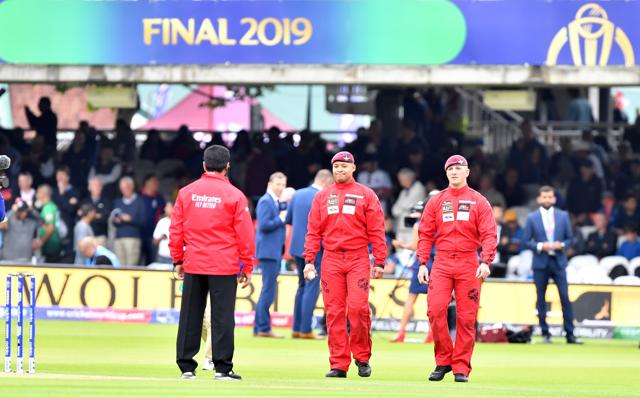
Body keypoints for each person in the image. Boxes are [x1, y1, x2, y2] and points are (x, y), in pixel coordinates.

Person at [170, 145, 256, 381]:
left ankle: (187, 367)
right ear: (228, 167)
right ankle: (222, 368)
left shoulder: (186, 193)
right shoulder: (236, 196)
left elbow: (176, 229)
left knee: (190, 316)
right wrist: (247, 265)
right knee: (223, 317)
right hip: (224, 263)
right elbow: (245, 234)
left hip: (194, 262)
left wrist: (177, 259)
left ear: (204, 165)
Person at [304, 151, 386, 378]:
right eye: (336, 166)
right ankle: (338, 364)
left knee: (359, 308)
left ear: (353, 168)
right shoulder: (322, 196)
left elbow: (377, 230)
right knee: (334, 312)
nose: (340, 169)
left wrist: (379, 260)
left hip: (358, 257)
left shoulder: (366, 195)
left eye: (344, 166)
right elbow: (313, 231)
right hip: (330, 258)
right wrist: (309, 260)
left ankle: (362, 357)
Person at [416, 155, 496, 383]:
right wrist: (422, 263)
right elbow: (425, 233)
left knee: (467, 317)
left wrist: (485, 261)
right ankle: (444, 360)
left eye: (459, 168)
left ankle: (461, 367)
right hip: (441, 262)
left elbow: (489, 234)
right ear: (446, 173)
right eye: (450, 168)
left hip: (468, 262)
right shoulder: (436, 201)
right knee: (435, 310)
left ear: (468, 172)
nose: (454, 172)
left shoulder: (479, 201)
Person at [523, 186, 582, 345]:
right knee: (541, 299)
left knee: (565, 297)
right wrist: (542, 246)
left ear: (554, 199)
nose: (547, 200)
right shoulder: (531, 217)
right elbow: (526, 241)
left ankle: (570, 334)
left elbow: (571, 239)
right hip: (541, 263)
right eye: (544, 197)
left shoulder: (563, 216)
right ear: (539, 199)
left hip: (558, 262)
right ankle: (545, 333)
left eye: (550, 197)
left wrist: (561, 245)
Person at [286, 169, 333, 339]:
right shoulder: (323, 198)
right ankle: (306, 329)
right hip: (315, 249)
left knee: (301, 286)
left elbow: (289, 219)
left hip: (296, 246)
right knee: (312, 287)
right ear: (327, 182)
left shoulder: (297, 194)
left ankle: (296, 328)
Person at [388, 192, 439, 343]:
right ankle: (431, 334)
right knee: (434, 302)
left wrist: (400, 244)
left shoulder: (420, 224)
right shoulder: (442, 221)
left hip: (422, 262)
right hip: (437, 262)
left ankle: (401, 332)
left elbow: (415, 246)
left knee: (411, 299)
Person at [253, 172, 288, 338]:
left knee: (267, 289)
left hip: (272, 251)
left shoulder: (272, 201)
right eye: (278, 184)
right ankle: (263, 327)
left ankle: (260, 327)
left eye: (283, 185)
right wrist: (280, 219)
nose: (280, 188)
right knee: (268, 290)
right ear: (270, 183)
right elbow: (264, 225)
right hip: (268, 252)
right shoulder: (266, 201)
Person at [112, 177, 146, 266]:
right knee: (119, 266)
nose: (124, 190)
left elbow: (143, 221)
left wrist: (130, 219)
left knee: (131, 266)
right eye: (122, 188)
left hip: (133, 238)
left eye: (126, 188)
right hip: (119, 238)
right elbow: (113, 221)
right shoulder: (117, 202)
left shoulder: (140, 202)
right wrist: (116, 220)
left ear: (132, 187)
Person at [36, 184, 62, 263]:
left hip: (50, 246)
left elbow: (50, 228)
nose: (36, 195)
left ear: (43, 194)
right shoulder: (51, 206)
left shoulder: (48, 207)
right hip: (51, 245)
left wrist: (41, 242)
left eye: (38, 193)